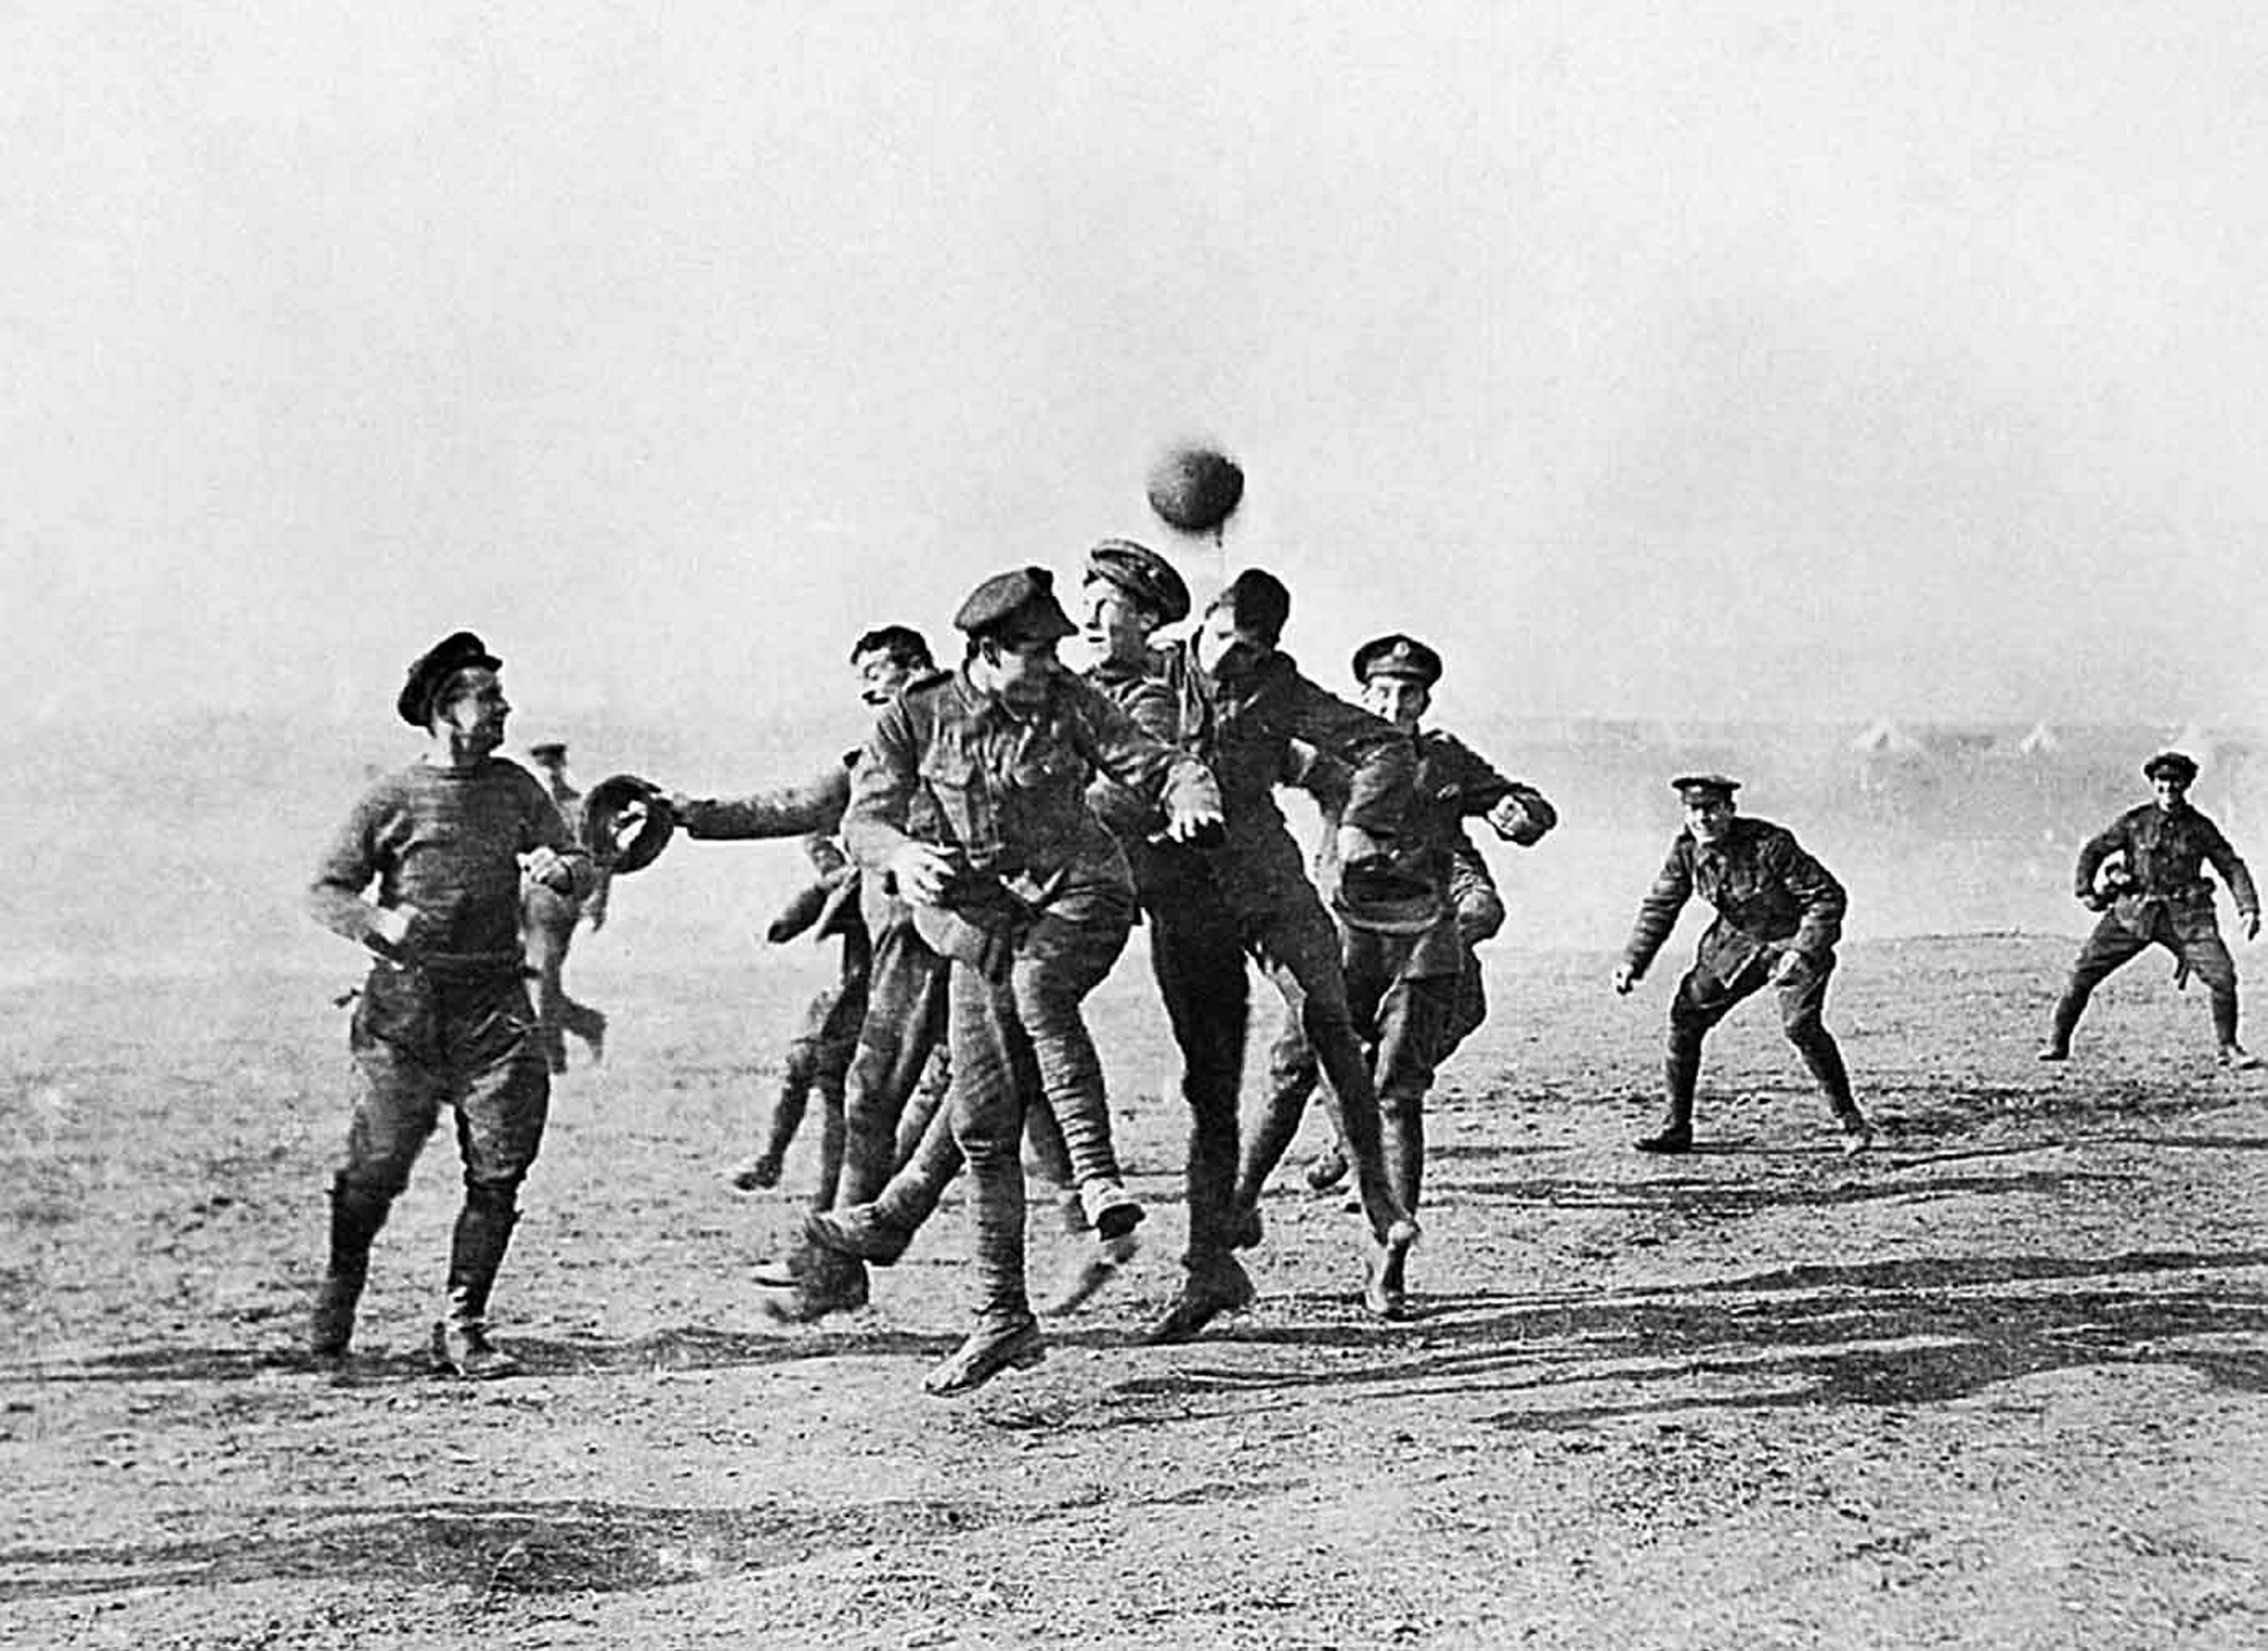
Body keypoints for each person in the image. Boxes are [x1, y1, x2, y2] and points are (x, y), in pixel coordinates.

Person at [840, 567, 1223, 1395]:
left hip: (1083, 895)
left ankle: (1097, 1179)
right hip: (983, 924)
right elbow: (861, 820)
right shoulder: (916, 717)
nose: (1053, 663)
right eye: (1035, 651)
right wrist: (901, 856)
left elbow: (1159, 763)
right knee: (982, 1122)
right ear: (985, 651)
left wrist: (1193, 798)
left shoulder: (1071, 702)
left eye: (1057, 647)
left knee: (1038, 991)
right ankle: (1002, 1317)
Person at [1136, 570, 1422, 1341]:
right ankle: (1209, 1268)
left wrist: (1363, 821)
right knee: (1211, 1081)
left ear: (1273, 648)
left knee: (1330, 1021)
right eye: (1226, 640)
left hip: (1267, 880)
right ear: (1206, 621)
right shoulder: (1150, 670)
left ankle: (1382, 1206)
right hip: (1184, 894)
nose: (1234, 660)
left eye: (1252, 649)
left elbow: (1384, 746)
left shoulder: (1281, 687)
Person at [305, 631, 597, 1377]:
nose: (506, 709)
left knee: (499, 1167)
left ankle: (462, 1324)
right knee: (376, 1168)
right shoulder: (392, 798)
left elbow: (578, 865)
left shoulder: (516, 787)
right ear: (446, 708)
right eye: (489, 698)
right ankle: (340, 1294)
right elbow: (328, 889)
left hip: (493, 1004)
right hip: (402, 1012)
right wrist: (378, 922)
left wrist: (557, 869)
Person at [1241, 634, 1555, 1315]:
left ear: (1425, 700)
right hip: (1341, 943)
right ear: (1362, 697)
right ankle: (1236, 1206)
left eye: (1407, 694)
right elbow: (1248, 765)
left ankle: (1389, 1266)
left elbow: (1524, 803)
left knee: (1398, 1095)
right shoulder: (1331, 756)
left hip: (1419, 948)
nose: (1393, 703)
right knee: (1291, 1070)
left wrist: (1519, 815)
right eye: (1381, 692)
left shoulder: (1443, 759)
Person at [1614, 774, 1872, 1156]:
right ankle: (1676, 1127)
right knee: (1686, 1018)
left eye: (1712, 810)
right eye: (1694, 811)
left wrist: (1801, 952)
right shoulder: (1687, 851)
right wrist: (1633, 960)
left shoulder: (1770, 844)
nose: (1703, 819)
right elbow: (1661, 906)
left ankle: (1851, 1121)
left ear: (1730, 811)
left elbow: (1827, 897)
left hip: (1793, 937)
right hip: (1735, 943)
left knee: (1800, 1026)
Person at [2039, 751, 2262, 1068]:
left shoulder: (2199, 827)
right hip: (2133, 914)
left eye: (2175, 782)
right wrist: (2085, 891)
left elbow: (2230, 864)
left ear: (2186, 785)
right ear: (2154, 785)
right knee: (2083, 973)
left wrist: (2249, 909)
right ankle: (2057, 1042)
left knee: (2222, 977)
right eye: (2162, 782)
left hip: (2186, 918)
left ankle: (2228, 1047)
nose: (2168, 788)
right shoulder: (2135, 822)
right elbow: (2095, 850)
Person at [521, 741, 611, 1074]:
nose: (548, 775)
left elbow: (599, 862)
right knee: (527, 980)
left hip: (559, 906)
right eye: (541, 769)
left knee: (542, 978)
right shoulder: (526, 807)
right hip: (520, 905)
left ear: (562, 767)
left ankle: (550, 1059)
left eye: (552, 768)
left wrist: (594, 909)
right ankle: (587, 1025)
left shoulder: (580, 809)